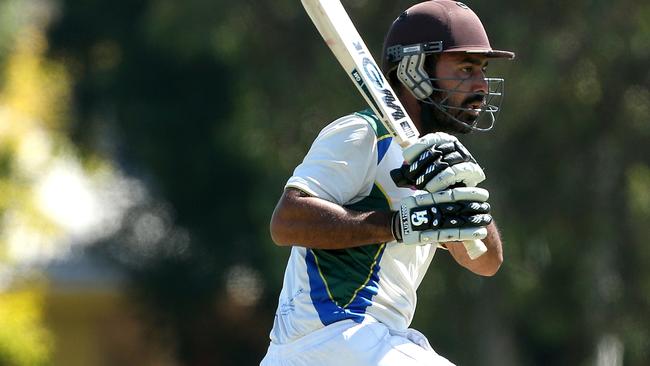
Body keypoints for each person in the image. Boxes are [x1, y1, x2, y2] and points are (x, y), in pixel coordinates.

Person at [261, 1, 515, 365]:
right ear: (414, 71)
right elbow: (286, 222)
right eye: (465, 68)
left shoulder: (439, 161)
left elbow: (487, 262)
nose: (481, 85)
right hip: (328, 336)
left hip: (374, 340)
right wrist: (398, 224)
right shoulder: (363, 133)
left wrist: (456, 203)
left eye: (482, 70)